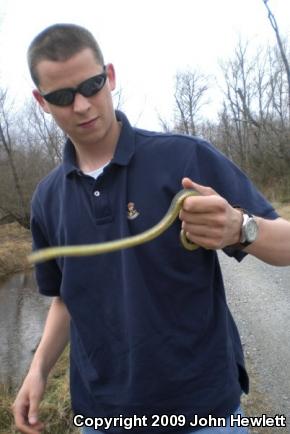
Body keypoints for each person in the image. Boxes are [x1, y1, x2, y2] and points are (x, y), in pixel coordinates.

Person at [13, 23, 290, 434]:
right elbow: (66, 299)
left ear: (109, 76)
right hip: (102, 416)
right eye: (62, 96)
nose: (83, 105)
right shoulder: (47, 199)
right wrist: (37, 370)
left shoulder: (184, 159)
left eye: (91, 86)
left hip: (202, 411)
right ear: (42, 101)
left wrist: (241, 228)